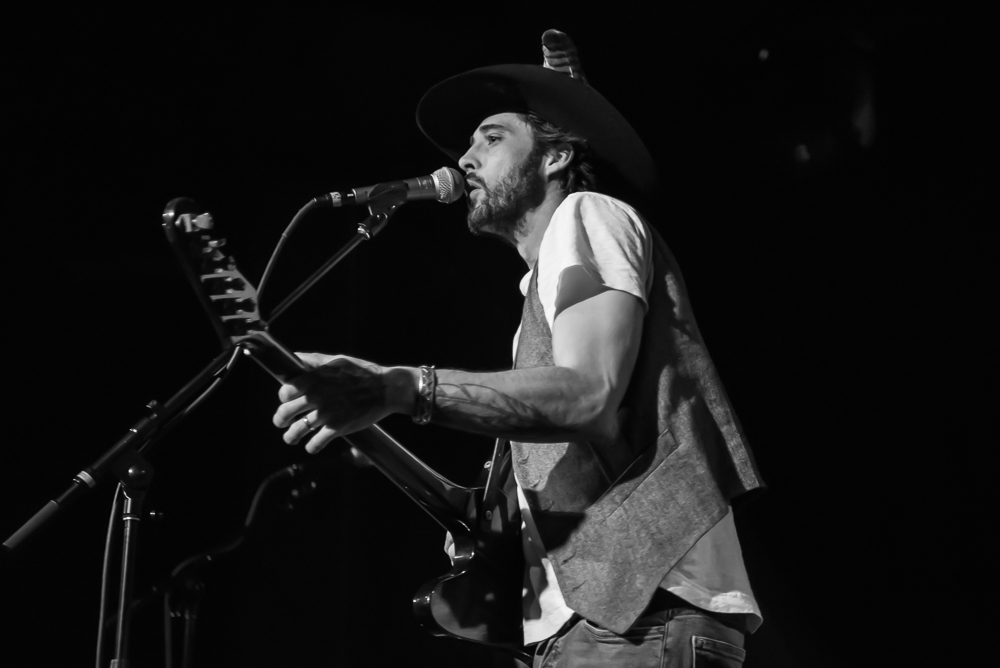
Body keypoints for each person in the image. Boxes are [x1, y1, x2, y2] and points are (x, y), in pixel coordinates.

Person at [272, 30, 765, 668]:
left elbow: (588, 395)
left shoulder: (587, 215)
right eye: (470, 143)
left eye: (492, 137)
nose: (466, 158)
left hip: (641, 616)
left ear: (557, 158)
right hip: (596, 626)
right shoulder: (539, 296)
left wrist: (399, 386)